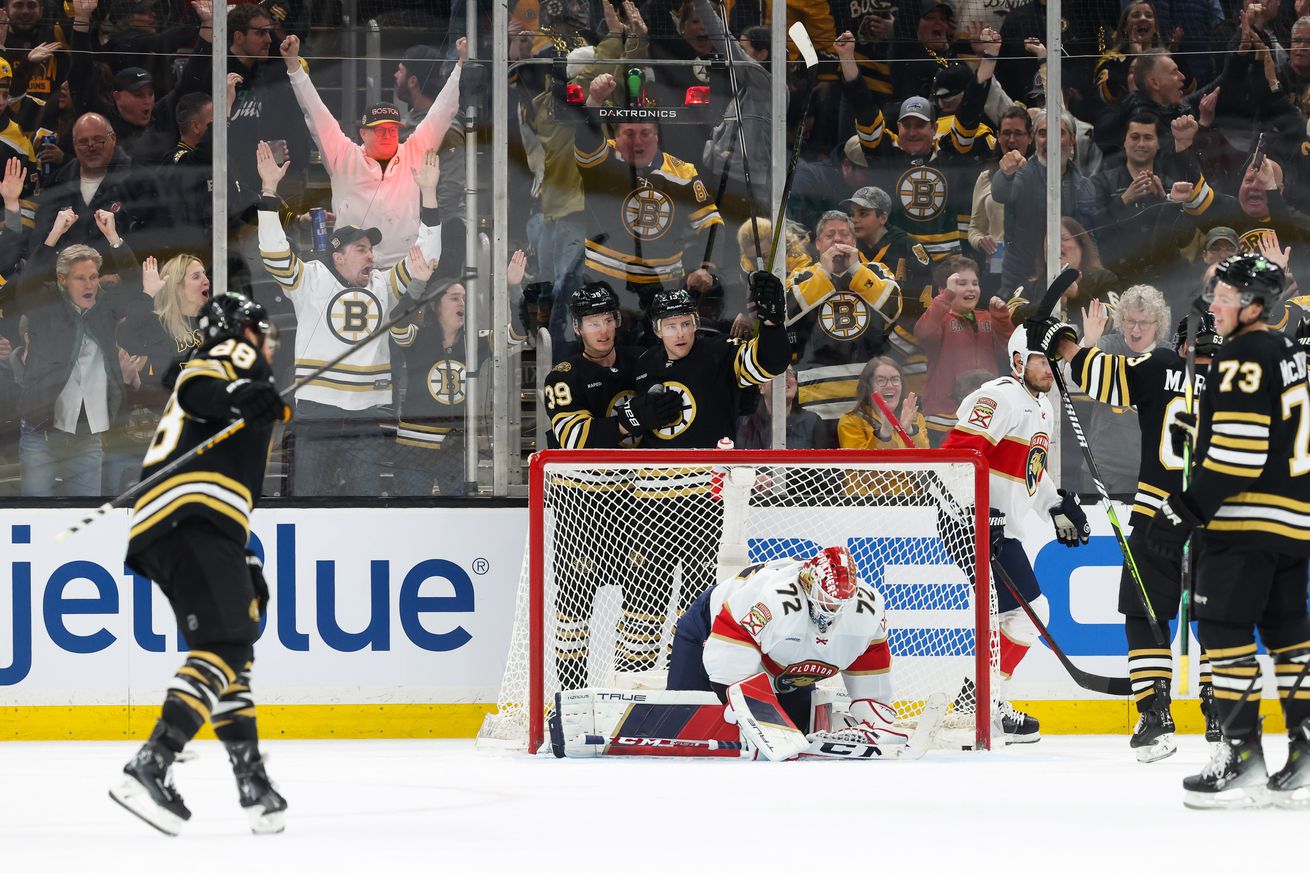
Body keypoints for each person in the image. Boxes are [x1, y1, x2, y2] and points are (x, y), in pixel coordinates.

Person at [112, 292, 289, 836]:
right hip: (196, 514)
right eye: (263, 329)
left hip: (187, 522)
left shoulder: (235, 365)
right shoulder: (236, 351)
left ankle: (251, 780)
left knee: (230, 648)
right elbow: (196, 386)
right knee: (227, 645)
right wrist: (241, 390)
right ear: (240, 329)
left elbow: (193, 394)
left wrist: (242, 548)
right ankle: (152, 762)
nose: (270, 341)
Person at [1145, 253, 1310, 808]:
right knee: (1288, 633)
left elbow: (1238, 457)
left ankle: (1241, 752)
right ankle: (1306, 747)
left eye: (1225, 295)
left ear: (1255, 305)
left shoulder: (1244, 356)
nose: (1213, 303)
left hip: (1246, 522)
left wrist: (1182, 511)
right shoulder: (1288, 351)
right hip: (1293, 520)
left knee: (1220, 626)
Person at [1049, 305, 1222, 762]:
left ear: (1181, 344)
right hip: (1221, 523)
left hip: (1157, 516)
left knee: (1146, 615)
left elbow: (1099, 376)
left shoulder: (1162, 364)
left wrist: (1068, 342)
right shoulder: (1245, 382)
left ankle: (1155, 718)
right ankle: (1222, 714)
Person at [618, 274, 789, 671]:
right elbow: (625, 423)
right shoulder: (643, 365)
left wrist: (773, 324)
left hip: (708, 501)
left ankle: (697, 677)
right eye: (671, 325)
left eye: (686, 322)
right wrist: (635, 416)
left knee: (705, 597)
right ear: (657, 329)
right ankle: (635, 679)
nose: (680, 332)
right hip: (651, 504)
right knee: (643, 598)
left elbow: (770, 362)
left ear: (696, 321)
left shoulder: (721, 353)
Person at [256, 142, 442, 496]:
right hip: (315, 414)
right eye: (360, 250)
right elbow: (274, 250)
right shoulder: (309, 279)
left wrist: (429, 194)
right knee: (307, 503)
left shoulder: (384, 283)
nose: (370, 256)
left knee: (367, 506)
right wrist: (268, 191)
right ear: (337, 257)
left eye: (371, 249)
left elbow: (427, 255)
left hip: (367, 416)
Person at [939, 319, 1092, 742]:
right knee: (1028, 613)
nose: (1051, 367)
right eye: (1043, 358)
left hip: (1000, 527)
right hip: (968, 521)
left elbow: (1031, 474)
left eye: (1054, 358)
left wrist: (1055, 506)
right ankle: (982, 703)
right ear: (1019, 359)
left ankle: (983, 701)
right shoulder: (998, 396)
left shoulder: (1040, 406)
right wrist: (976, 513)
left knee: (1020, 616)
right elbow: (956, 459)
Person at [540, 279, 681, 688]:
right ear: (576, 327)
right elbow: (575, 440)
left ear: (617, 320)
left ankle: (630, 699)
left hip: (638, 504)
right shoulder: (563, 376)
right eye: (591, 322)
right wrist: (632, 420)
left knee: (645, 611)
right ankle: (573, 703)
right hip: (580, 510)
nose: (601, 329)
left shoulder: (643, 361)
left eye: (607, 319)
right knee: (572, 620)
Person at [667, 546, 905, 745]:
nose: (833, 610)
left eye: (839, 604)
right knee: (685, 727)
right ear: (809, 583)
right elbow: (733, 634)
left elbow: (870, 655)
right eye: (827, 600)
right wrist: (743, 706)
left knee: (796, 737)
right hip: (711, 625)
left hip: (779, 660)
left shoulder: (866, 607)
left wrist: (873, 712)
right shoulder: (776, 599)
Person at [280, 33, 465, 268]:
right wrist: (294, 67)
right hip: (350, 269)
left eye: (392, 130)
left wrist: (460, 66)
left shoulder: (412, 152)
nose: (387, 135)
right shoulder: (343, 156)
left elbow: (442, 113)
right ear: (363, 133)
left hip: (402, 270)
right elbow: (315, 112)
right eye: (379, 131)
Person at [574, 71, 722, 330]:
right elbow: (587, 142)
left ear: (658, 137)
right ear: (615, 137)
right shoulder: (602, 159)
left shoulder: (683, 171)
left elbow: (712, 225)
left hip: (663, 285)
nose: (638, 141)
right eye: (629, 134)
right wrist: (594, 100)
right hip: (605, 280)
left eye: (646, 133)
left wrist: (705, 267)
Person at [787, 211, 902, 422]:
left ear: (854, 241)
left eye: (844, 234)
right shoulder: (802, 275)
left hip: (868, 403)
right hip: (815, 405)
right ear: (819, 244)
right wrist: (824, 274)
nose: (838, 240)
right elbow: (785, 314)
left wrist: (856, 270)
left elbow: (893, 309)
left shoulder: (875, 271)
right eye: (830, 235)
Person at [913, 255, 1015, 444]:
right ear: (944, 290)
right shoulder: (939, 319)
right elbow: (923, 333)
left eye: (975, 283)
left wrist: (1002, 319)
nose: (971, 288)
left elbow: (1010, 352)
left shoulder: (988, 318)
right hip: (943, 416)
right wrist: (945, 298)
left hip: (984, 414)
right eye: (961, 284)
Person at [838, 356, 927, 450]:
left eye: (895, 379)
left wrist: (910, 430)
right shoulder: (851, 421)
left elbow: (929, 460)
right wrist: (883, 434)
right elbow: (859, 462)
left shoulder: (916, 418)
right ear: (868, 386)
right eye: (881, 380)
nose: (889, 385)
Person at [736, 366, 831, 450]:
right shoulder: (744, 423)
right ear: (761, 386)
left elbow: (825, 466)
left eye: (789, 373)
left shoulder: (813, 422)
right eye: (776, 374)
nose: (784, 378)